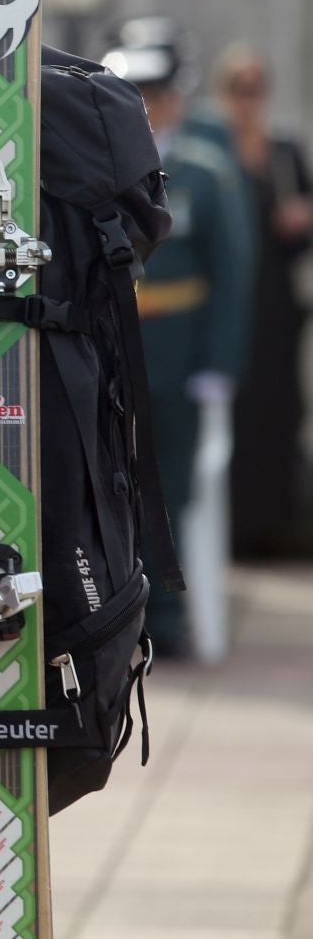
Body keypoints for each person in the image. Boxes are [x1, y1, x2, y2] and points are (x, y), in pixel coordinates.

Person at [103, 39, 254, 656]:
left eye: (150, 96)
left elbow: (233, 272)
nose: (143, 108)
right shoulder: (103, 166)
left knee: (171, 489)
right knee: (116, 480)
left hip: (177, 352)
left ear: (171, 99)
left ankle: (164, 619)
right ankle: (119, 614)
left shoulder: (203, 170)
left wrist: (218, 364)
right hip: (116, 345)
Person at [214, 44, 312, 557]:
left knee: (277, 412)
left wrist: (300, 219)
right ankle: (229, 529)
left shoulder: (283, 150)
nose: (247, 100)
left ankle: (274, 528)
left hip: (275, 308)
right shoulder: (213, 150)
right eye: (238, 89)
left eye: (255, 89)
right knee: (229, 411)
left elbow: (300, 238)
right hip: (226, 305)